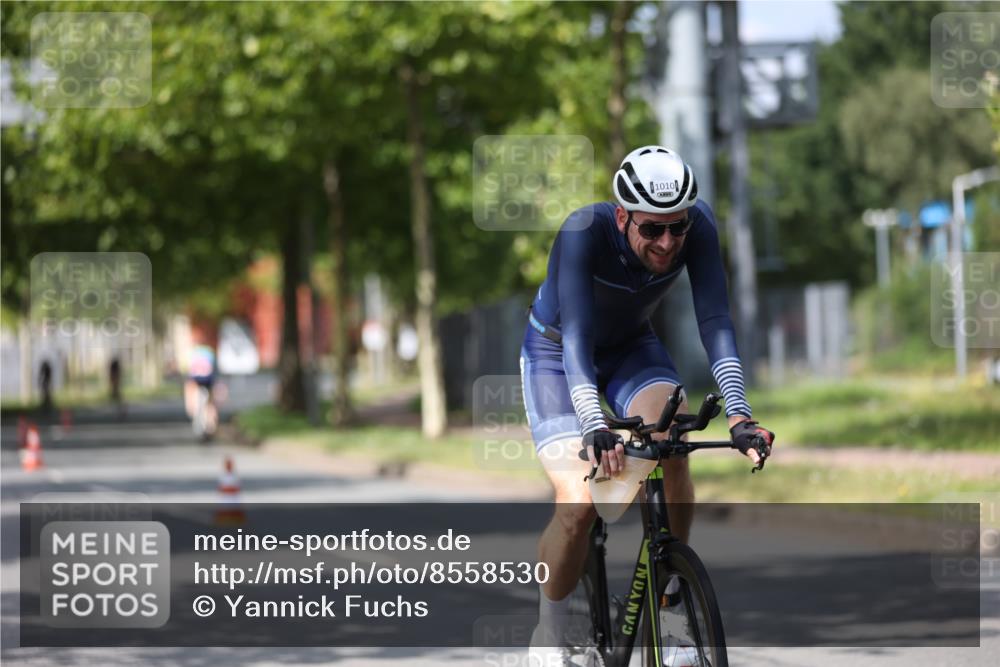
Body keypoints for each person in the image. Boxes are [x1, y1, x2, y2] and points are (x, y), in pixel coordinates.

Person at [521, 146, 775, 663]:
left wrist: (741, 413)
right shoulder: (582, 232)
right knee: (579, 501)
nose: (667, 242)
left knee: (674, 440)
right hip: (557, 352)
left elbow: (716, 323)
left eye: (676, 229)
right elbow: (577, 340)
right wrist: (594, 425)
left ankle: (673, 606)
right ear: (622, 216)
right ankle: (550, 632)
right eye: (652, 230)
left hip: (633, 347)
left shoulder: (697, 227)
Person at [184, 342, 218, 439]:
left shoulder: (193, 353)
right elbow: (215, 371)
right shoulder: (210, 353)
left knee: (192, 394)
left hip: (195, 380)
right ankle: (211, 425)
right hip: (209, 381)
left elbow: (189, 372)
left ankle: (192, 410)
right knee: (210, 404)